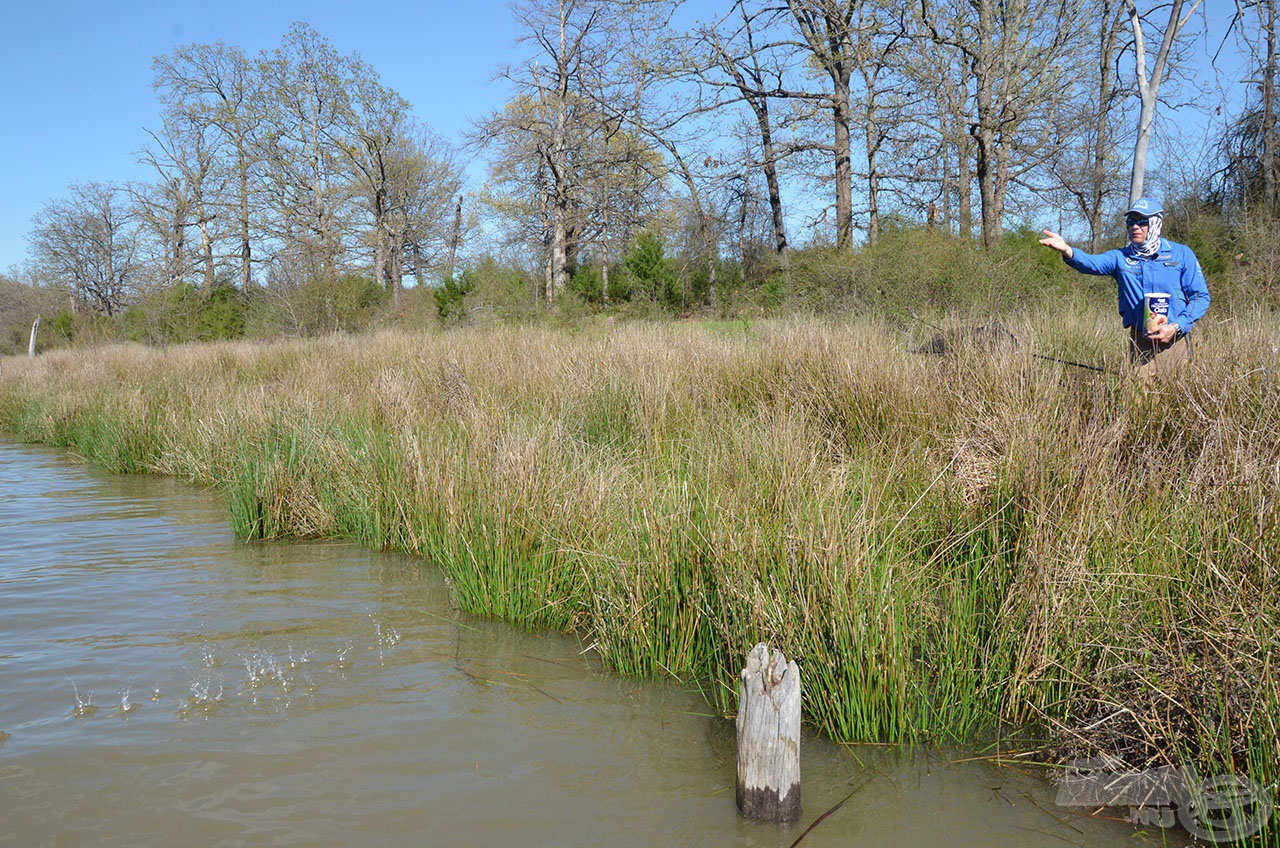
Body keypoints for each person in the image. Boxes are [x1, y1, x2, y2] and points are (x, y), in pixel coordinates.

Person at [1039, 197, 1210, 377]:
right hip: (1141, 342)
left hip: (1176, 340)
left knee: (1176, 399)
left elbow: (1201, 297)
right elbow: (1091, 263)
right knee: (1138, 400)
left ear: (1156, 223)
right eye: (1130, 222)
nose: (1134, 227)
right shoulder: (1121, 257)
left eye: (1142, 222)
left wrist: (1176, 327)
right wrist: (1067, 250)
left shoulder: (1181, 254)